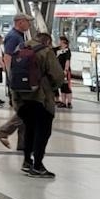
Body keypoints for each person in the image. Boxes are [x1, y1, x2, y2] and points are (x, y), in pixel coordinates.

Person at [12, 31, 64, 178]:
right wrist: (51, 88)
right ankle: (38, 166)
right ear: (47, 42)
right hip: (40, 99)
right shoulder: (46, 51)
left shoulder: (20, 48)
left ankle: (27, 161)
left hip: (21, 98)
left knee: (29, 129)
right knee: (43, 132)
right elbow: (58, 76)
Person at [0, 13, 33, 148]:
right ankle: (3, 131)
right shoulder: (13, 37)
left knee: (25, 113)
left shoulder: (20, 36)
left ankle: (23, 145)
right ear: (20, 22)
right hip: (17, 80)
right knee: (26, 111)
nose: (30, 24)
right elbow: (8, 57)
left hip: (20, 78)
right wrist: (11, 77)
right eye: (28, 21)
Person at [55, 36, 73, 109]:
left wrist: (66, 70)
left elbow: (67, 61)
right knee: (62, 86)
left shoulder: (67, 51)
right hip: (59, 70)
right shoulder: (58, 50)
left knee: (67, 86)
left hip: (65, 71)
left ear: (64, 43)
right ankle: (63, 102)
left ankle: (69, 102)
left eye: (61, 41)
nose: (59, 43)